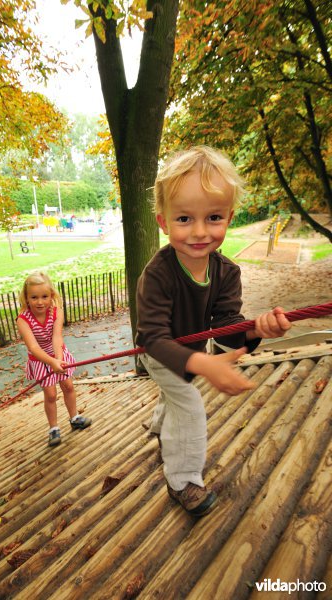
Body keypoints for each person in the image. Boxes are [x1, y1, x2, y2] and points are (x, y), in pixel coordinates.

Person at [136, 146, 291, 517]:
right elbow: (153, 339)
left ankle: (158, 424)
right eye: (185, 219)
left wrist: (256, 331)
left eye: (214, 217)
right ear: (163, 222)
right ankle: (182, 480)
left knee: (178, 390)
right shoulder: (157, 275)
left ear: (230, 217)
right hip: (159, 352)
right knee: (188, 405)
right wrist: (203, 364)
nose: (201, 232)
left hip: (191, 353)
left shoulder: (227, 273)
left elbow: (225, 330)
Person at [17, 271, 91, 447]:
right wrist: (51, 362)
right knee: (50, 394)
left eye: (44, 296)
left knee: (68, 386)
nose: (40, 302)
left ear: (52, 295)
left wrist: (59, 360)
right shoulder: (23, 319)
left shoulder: (56, 312)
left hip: (57, 353)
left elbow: (57, 337)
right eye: (34, 297)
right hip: (40, 358)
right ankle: (54, 428)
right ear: (26, 298)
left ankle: (74, 418)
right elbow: (33, 348)